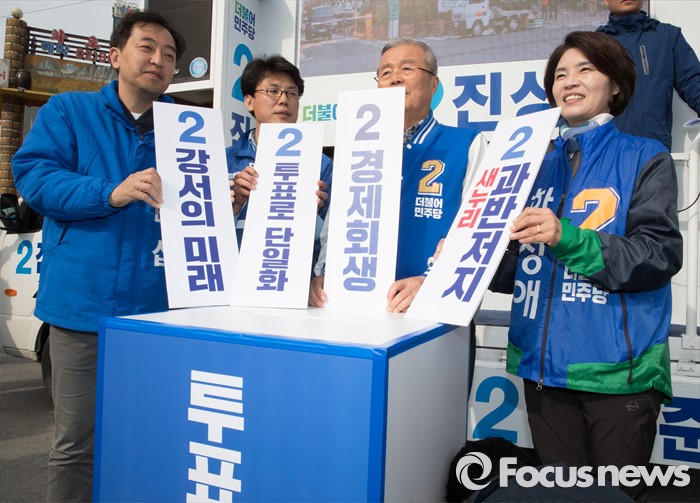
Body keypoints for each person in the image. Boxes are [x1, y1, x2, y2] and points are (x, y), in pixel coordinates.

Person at [11, 11, 185, 502]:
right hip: (81, 309)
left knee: (150, 438)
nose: (158, 60)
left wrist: (231, 197)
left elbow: (205, 208)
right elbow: (35, 177)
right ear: (115, 56)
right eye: (147, 47)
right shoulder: (68, 111)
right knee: (76, 445)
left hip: (158, 313)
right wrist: (110, 192)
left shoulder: (186, 130)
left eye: (169, 54)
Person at [501, 31, 682, 501]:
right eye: (560, 74)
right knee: (560, 496)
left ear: (615, 85)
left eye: (585, 70)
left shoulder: (646, 157)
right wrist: (463, 256)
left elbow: (659, 255)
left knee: (614, 498)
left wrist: (567, 237)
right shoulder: (533, 165)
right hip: (543, 374)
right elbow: (518, 268)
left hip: (618, 375)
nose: (569, 81)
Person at [308, 37, 486, 313]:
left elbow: (480, 229)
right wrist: (325, 274)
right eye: (386, 72)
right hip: (356, 308)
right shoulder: (357, 149)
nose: (395, 78)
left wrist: (433, 282)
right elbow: (337, 224)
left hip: (433, 311)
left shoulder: (467, 144)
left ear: (434, 84)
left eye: (407, 69)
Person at [226, 54, 332, 248]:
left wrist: (312, 214)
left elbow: (332, 239)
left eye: (292, 93)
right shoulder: (223, 160)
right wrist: (234, 208)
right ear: (249, 101)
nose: (283, 100)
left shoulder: (321, 165)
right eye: (273, 91)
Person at [596, 0, 700, 151]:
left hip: (655, 149)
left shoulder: (668, 36)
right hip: (607, 150)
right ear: (605, 1)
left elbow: (692, 82)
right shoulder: (595, 44)